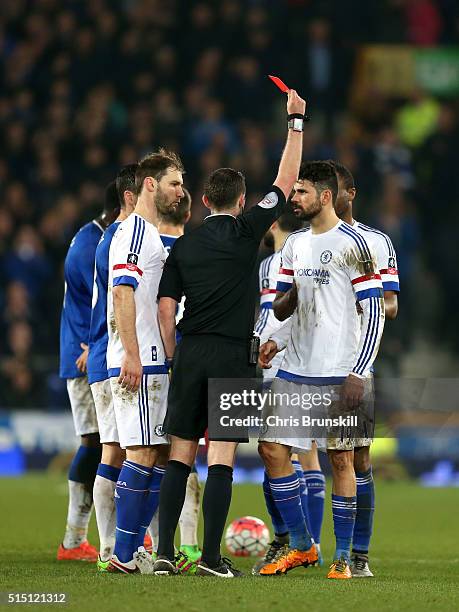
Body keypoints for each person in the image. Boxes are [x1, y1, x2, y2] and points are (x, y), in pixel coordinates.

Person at [154, 89, 308, 578]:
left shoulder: (184, 246)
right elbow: (284, 182)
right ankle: (213, 560)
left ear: (203, 201)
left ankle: (162, 556)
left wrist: (176, 352)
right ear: (242, 202)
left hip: (192, 351)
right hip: (233, 358)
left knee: (179, 453)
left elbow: (165, 308)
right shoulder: (247, 232)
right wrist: (296, 121)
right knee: (219, 458)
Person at [257, 160, 385, 579]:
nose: (293, 199)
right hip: (296, 366)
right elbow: (284, 304)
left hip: (340, 368)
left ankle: (345, 557)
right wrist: (276, 335)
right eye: (295, 192)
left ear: (325, 196)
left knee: (342, 460)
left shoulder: (356, 245)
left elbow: (376, 314)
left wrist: (359, 371)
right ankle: (299, 545)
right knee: (272, 449)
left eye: (301, 192)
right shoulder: (294, 244)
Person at [106, 149, 185, 574]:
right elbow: (122, 292)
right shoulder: (135, 231)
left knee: (154, 451)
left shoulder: (149, 233)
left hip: (152, 359)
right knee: (139, 452)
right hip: (140, 361)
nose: (181, 191)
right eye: (174, 182)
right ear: (150, 184)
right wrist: (133, 356)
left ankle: (133, 550)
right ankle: (121, 554)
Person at [57, 184, 120, 561]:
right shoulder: (89, 245)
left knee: (104, 442)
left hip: (90, 350)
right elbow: (93, 299)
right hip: (84, 355)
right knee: (96, 442)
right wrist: (88, 346)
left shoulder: (93, 236)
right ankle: (73, 538)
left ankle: (81, 537)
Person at [87, 165, 138, 571]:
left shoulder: (112, 239)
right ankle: (109, 548)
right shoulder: (120, 238)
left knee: (121, 452)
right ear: (129, 196)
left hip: (108, 353)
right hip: (114, 357)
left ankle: (119, 546)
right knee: (118, 451)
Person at [151, 188, 202, 565]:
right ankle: (189, 545)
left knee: (142, 456)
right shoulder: (198, 250)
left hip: (146, 361)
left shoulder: (143, 247)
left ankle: (145, 544)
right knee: (186, 455)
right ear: (188, 216)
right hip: (191, 360)